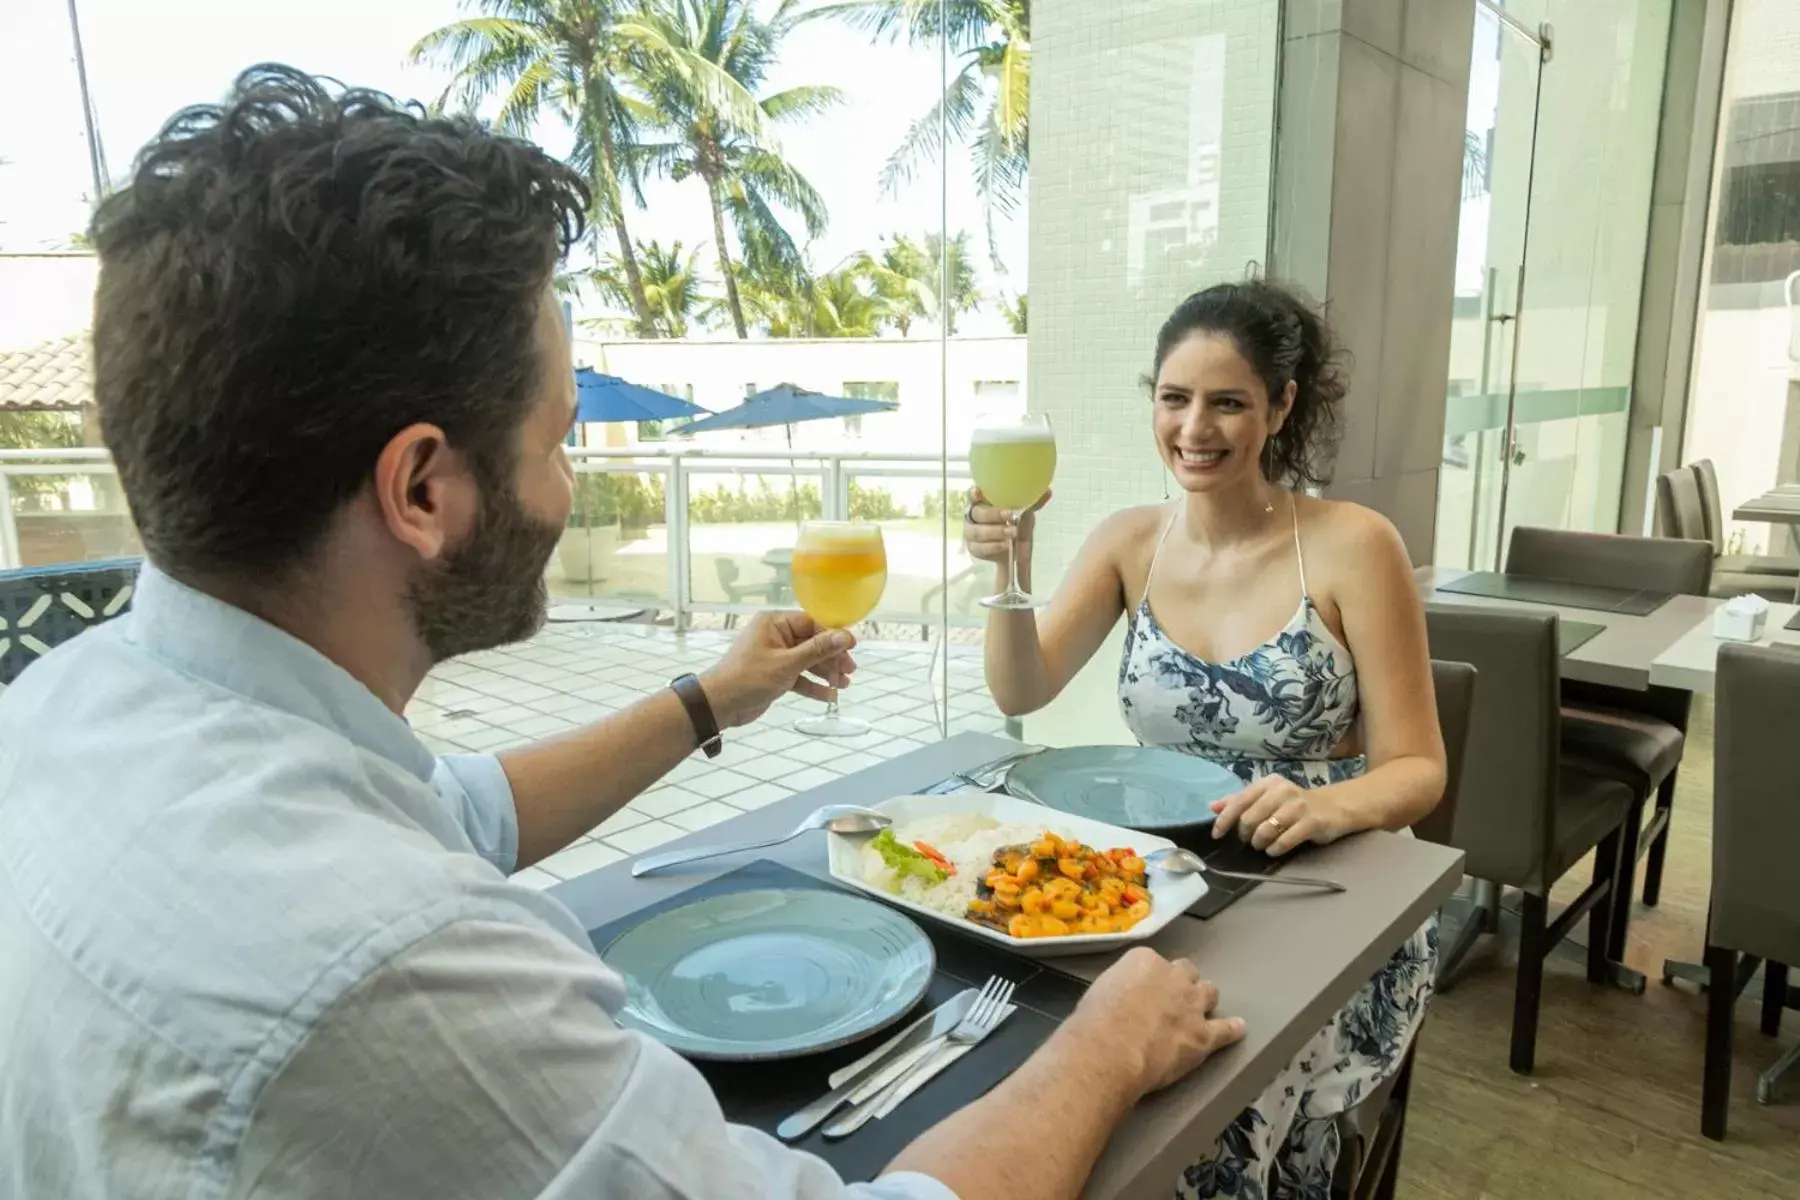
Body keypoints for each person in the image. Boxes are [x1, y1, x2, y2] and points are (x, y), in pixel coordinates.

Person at [0, 66, 1249, 1199]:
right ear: (423, 490)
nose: (570, 483)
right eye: (557, 438)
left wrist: (716, 697)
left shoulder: (67, 705)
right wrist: (1102, 1048)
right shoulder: (396, 968)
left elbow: (459, 809)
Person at [964, 279, 1446, 1197]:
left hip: (1325, 883)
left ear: (1280, 408)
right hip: (1162, 880)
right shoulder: (1128, 542)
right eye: (1174, 399)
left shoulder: (1353, 543)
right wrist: (1011, 568)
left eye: (1228, 402)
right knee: (1055, 1073)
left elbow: (1419, 768)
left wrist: (1322, 803)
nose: (1196, 428)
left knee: (1205, 1117)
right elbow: (1020, 686)